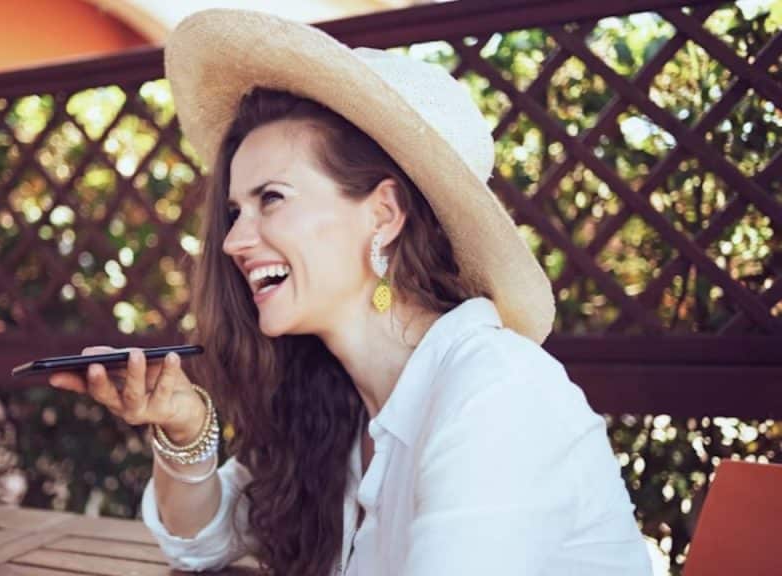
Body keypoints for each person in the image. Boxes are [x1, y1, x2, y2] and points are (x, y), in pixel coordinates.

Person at [50, 8, 652, 576]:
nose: (233, 241)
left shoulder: (495, 393)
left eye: (272, 199)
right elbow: (204, 543)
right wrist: (188, 430)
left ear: (383, 214)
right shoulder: (336, 403)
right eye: (235, 211)